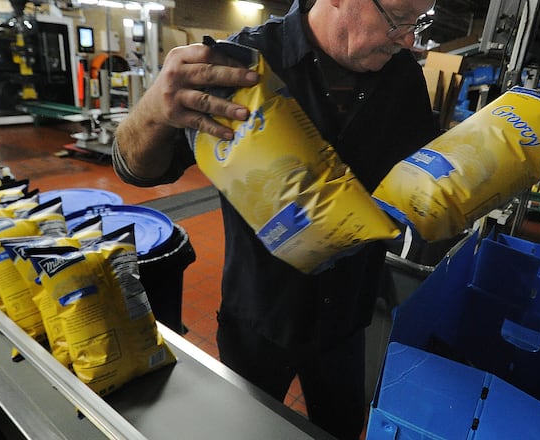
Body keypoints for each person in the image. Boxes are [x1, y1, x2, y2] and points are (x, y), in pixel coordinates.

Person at [112, 0, 439, 438]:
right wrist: (153, 111)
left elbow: (417, 175)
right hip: (260, 317)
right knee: (243, 431)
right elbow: (135, 169)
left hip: (348, 317)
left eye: (418, 22)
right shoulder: (239, 63)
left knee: (341, 428)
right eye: (398, 19)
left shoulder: (404, 77)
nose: (409, 39)